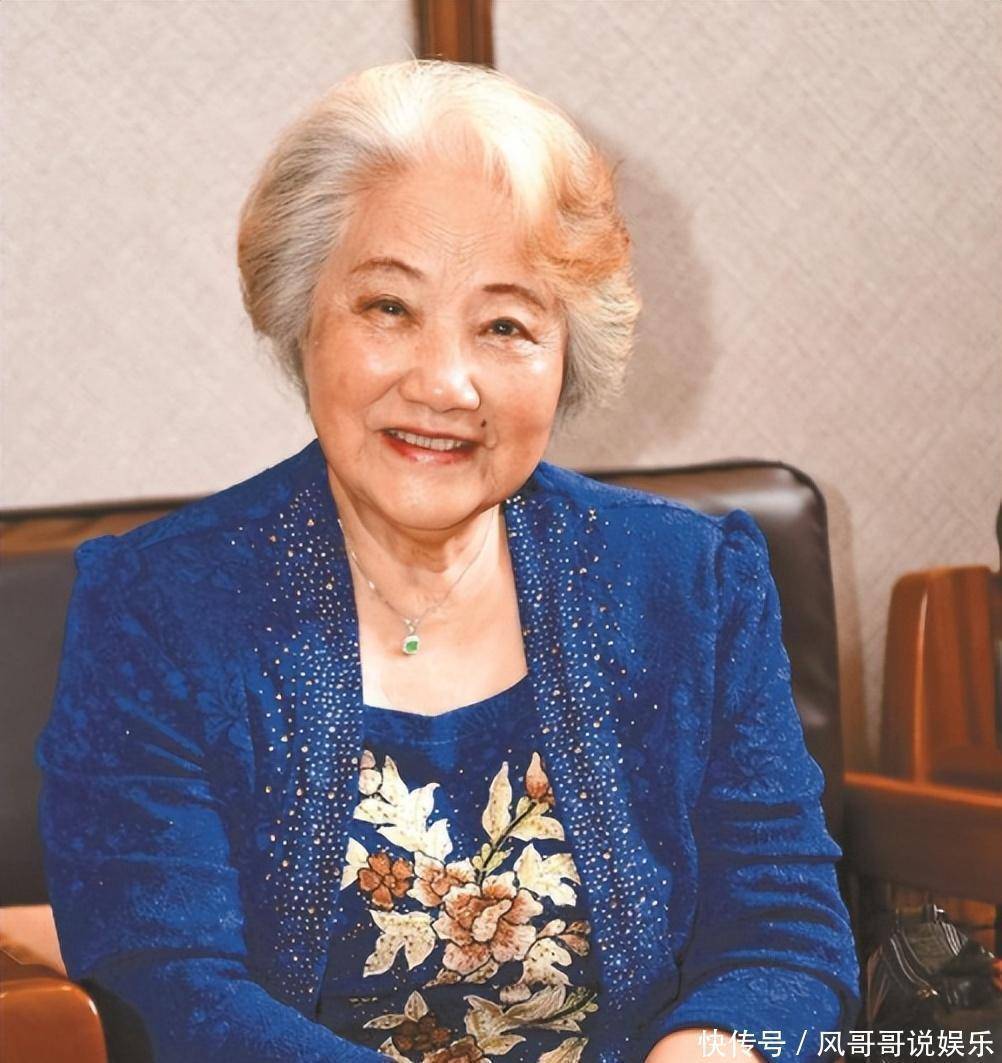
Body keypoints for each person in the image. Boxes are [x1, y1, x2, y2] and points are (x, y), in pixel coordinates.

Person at [36, 60, 860, 1063]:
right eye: (389, 307)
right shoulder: (159, 607)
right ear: (304, 316)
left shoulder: (690, 583)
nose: (444, 382)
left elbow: (783, 929)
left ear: (565, 355)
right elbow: (167, 985)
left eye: (505, 324)